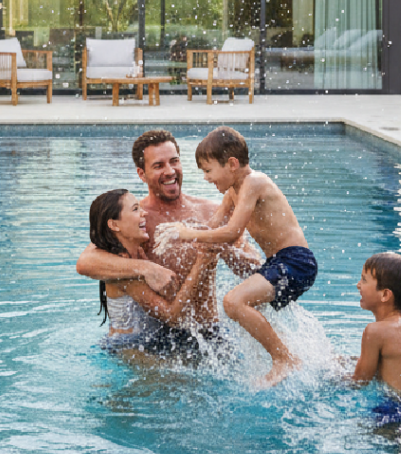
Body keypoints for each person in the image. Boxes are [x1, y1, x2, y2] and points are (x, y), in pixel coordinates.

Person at [159, 126, 317, 388]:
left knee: (233, 302)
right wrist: (186, 235)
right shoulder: (233, 192)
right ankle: (292, 359)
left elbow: (232, 232)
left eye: (208, 171)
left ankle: (284, 359)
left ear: (231, 164)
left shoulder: (254, 183)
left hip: (296, 261)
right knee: (242, 308)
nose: (207, 179)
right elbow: (213, 228)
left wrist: (186, 234)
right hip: (278, 263)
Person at [76, 129, 261, 342]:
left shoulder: (211, 212)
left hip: (209, 332)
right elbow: (86, 262)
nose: (170, 171)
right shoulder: (137, 222)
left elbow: (252, 267)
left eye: (174, 161)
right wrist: (147, 269)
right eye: (158, 165)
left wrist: (227, 249)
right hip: (158, 337)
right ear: (141, 174)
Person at [89, 189, 214, 351]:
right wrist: (202, 263)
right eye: (135, 209)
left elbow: (168, 300)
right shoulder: (125, 272)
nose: (144, 213)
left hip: (149, 341)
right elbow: (173, 316)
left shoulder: (137, 255)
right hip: (127, 347)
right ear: (114, 225)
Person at [352, 252, 401, 425]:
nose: (358, 285)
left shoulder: (375, 331)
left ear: (385, 295)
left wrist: (330, 380)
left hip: (396, 407)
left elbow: (360, 381)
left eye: (364, 280)